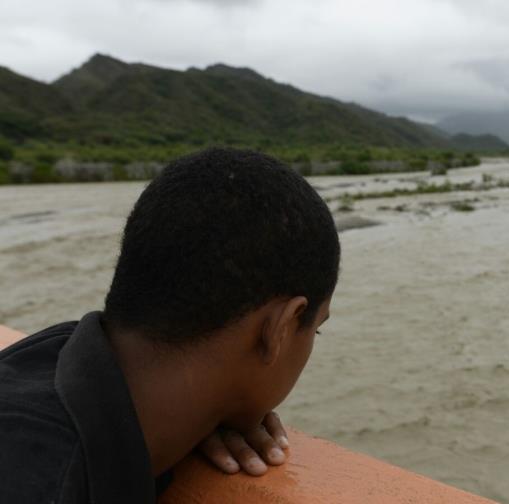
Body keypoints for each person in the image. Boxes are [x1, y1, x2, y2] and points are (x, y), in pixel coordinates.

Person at [0, 148, 340, 503]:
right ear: (279, 329)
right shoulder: (41, 483)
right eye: (315, 328)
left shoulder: (51, 365)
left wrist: (207, 416)